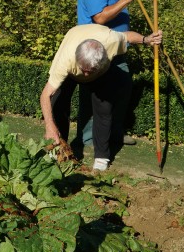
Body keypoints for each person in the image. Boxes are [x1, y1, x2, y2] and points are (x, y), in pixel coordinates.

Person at [40, 24, 162, 170]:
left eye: (89, 71)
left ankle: (102, 158)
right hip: (72, 53)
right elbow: (45, 95)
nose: (85, 76)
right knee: (58, 105)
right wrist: (49, 126)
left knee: (104, 109)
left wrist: (146, 39)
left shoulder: (111, 40)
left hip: (101, 71)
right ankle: (58, 149)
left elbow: (127, 36)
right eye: (83, 71)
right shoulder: (65, 60)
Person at [75, 0, 142, 154]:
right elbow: (101, 18)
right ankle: (88, 142)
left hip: (116, 47)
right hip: (97, 50)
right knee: (95, 97)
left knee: (122, 90)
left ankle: (113, 134)